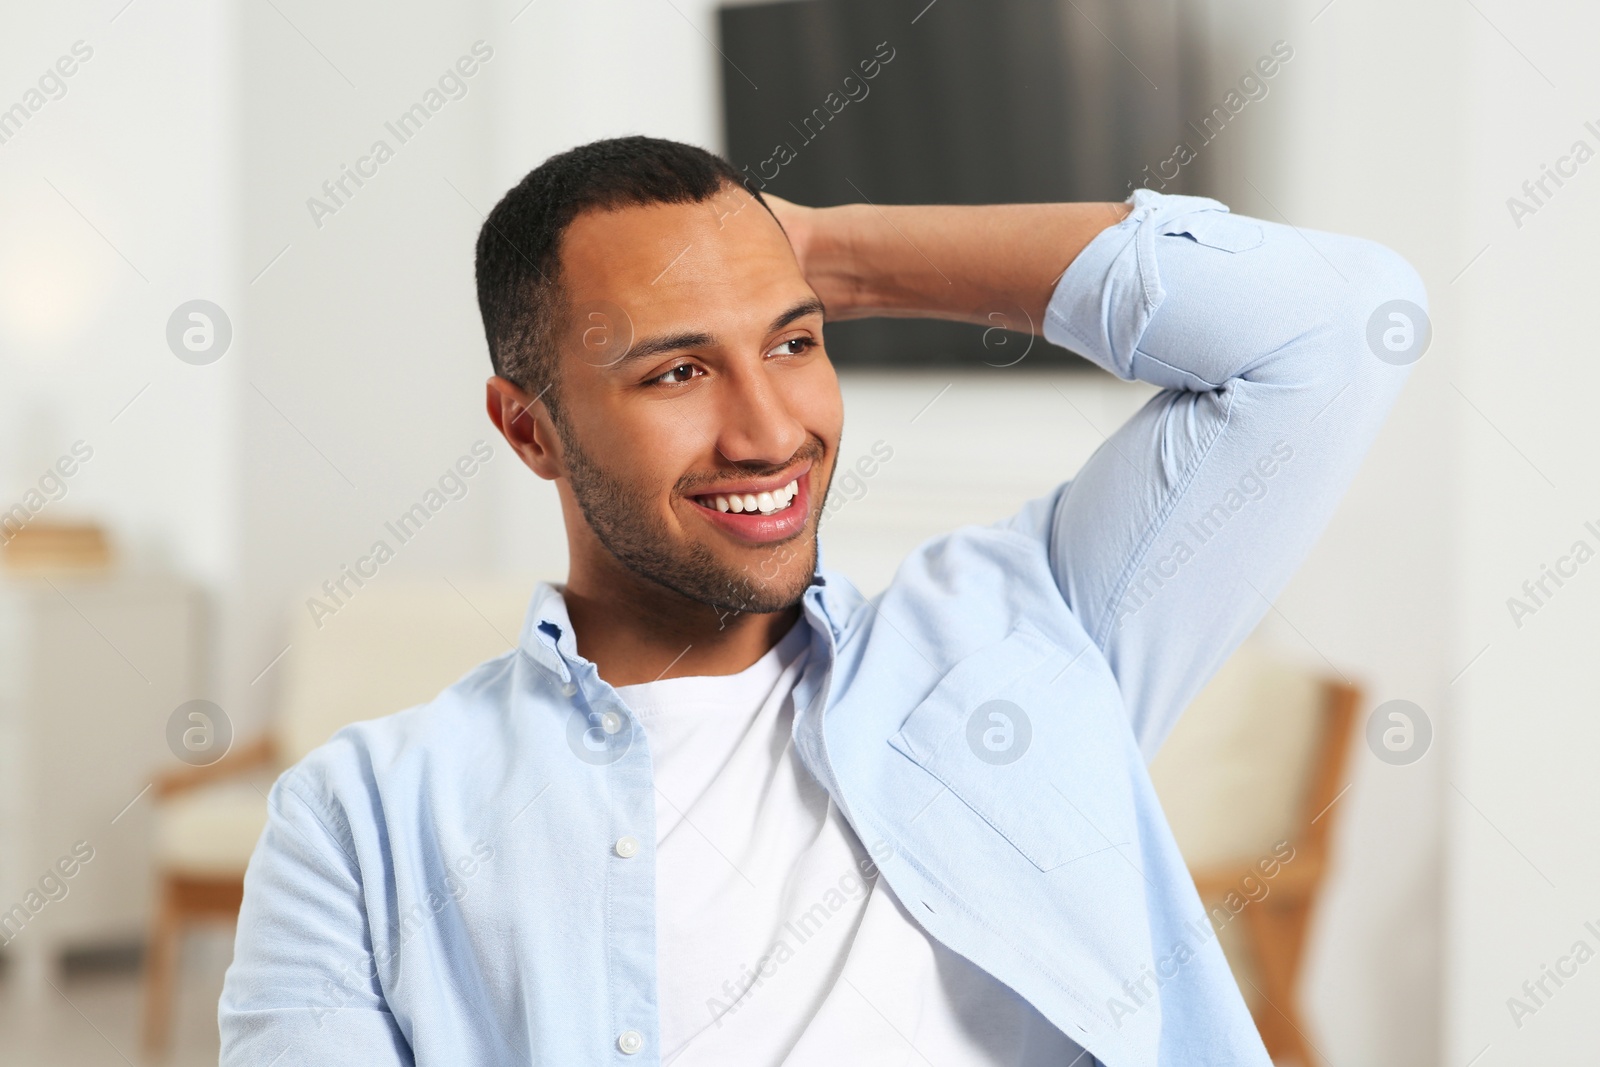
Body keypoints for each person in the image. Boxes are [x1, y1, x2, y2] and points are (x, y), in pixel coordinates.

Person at [219, 135, 1423, 1066]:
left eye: (795, 342)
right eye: (679, 370)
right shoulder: (359, 821)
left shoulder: (1029, 632)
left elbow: (1340, 324)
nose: (769, 431)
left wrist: (834, 253)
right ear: (528, 428)